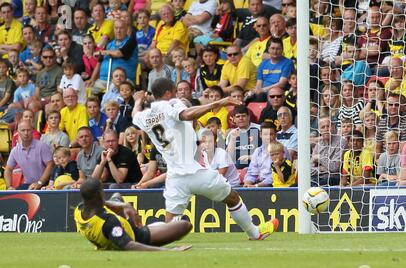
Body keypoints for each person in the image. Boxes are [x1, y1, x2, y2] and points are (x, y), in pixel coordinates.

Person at [132, 78, 278, 240]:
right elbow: (186, 114)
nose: (177, 95)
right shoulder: (172, 105)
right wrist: (218, 103)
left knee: (170, 226)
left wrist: (138, 100)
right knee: (232, 198)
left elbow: (135, 113)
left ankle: (138, 235)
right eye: (174, 91)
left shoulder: (144, 116)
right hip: (195, 172)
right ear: (168, 93)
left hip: (174, 177)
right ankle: (254, 233)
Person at [74, 178, 192, 251]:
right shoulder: (108, 222)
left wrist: (123, 205)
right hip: (138, 235)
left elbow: (105, 202)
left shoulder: (79, 210)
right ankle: (165, 225)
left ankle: (159, 226)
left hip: (124, 224)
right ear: (98, 195)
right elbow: (129, 245)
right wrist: (170, 251)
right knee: (185, 225)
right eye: (101, 191)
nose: (103, 193)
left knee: (117, 196)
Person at [4, 119, 54, 190]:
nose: (26, 133)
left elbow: (50, 165)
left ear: (32, 131)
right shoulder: (15, 151)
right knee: (14, 196)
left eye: (28, 130)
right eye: (23, 130)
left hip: (45, 184)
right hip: (28, 184)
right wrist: (9, 186)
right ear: (18, 132)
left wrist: (40, 182)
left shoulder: (42, 146)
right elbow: (8, 169)